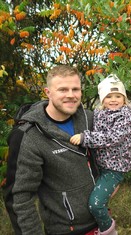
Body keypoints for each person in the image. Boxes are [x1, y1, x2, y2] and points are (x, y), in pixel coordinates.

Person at [4, 65, 100, 234]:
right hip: (65, 229)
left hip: (102, 221)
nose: (71, 95)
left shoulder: (90, 119)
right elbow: (20, 198)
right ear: (48, 92)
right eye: (63, 89)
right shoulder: (29, 136)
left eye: (75, 89)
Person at [70, 74, 131, 235]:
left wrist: (85, 138)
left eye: (118, 96)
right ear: (102, 99)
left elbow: (113, 137)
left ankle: (108, 231)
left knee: (95, 204)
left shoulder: (125, 115)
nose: (114, 100)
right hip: (100, 166)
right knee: (90, 198)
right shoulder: (99, 113)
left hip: (114, 168)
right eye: (109, 96)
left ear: (124, 98)